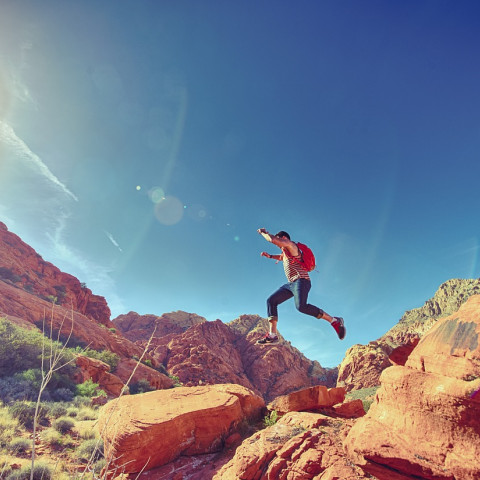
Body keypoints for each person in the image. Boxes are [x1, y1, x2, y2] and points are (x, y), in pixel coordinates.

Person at [257, 227, 345, 344]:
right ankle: (273, 335)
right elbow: (281, 257)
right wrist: (270, 256)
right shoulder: (285, 253)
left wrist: (264, 233)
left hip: (301, 281)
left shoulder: (291, 245)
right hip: (291, 284)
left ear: (284, 238)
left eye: (280, 241)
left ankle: (334, 321)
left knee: (301, 307)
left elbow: (272, 240)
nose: (279, 245)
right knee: (271, 301)